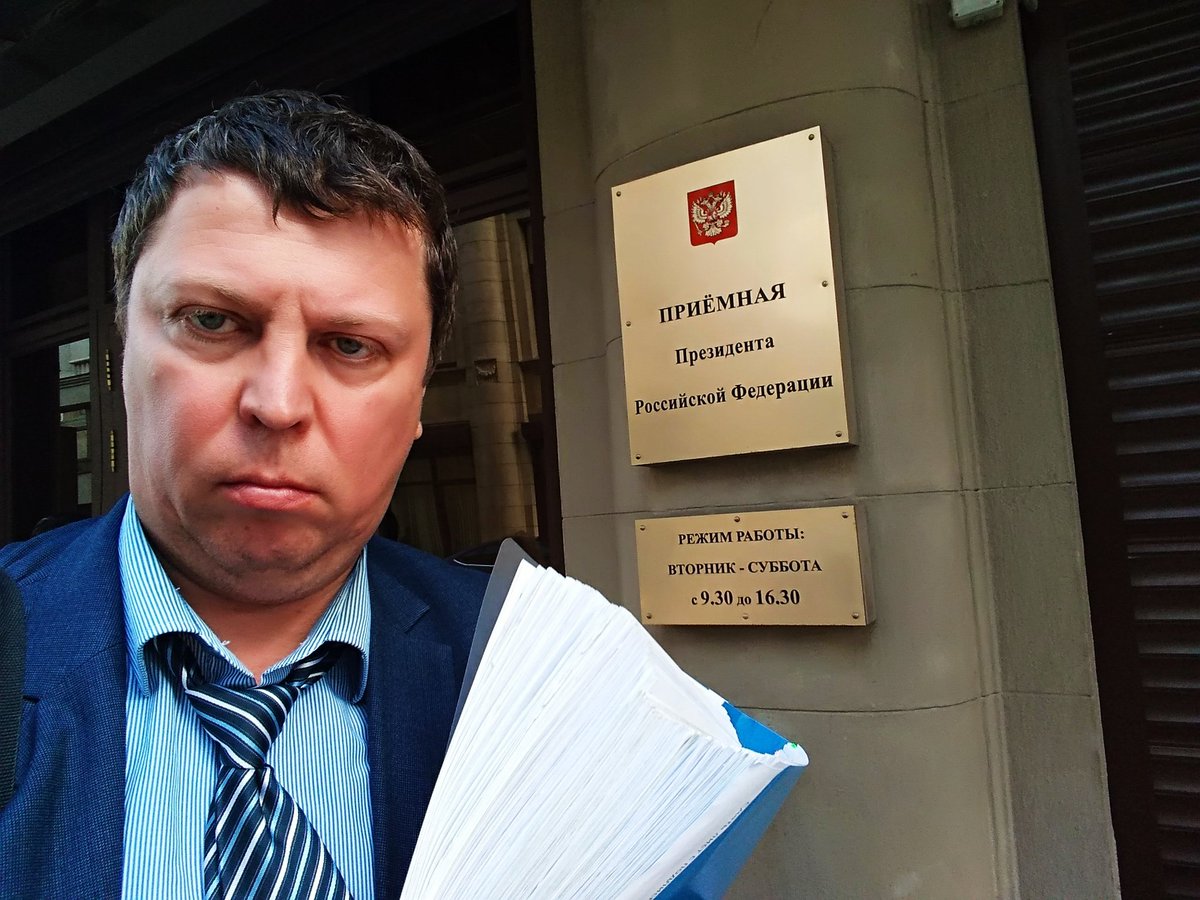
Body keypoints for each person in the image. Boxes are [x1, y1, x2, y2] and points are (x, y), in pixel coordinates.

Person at [0, 90, 487, 899]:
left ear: (418, 402)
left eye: (351, 345)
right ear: (123, 350)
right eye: (213, 322)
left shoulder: (530, 678)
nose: (279, 404)